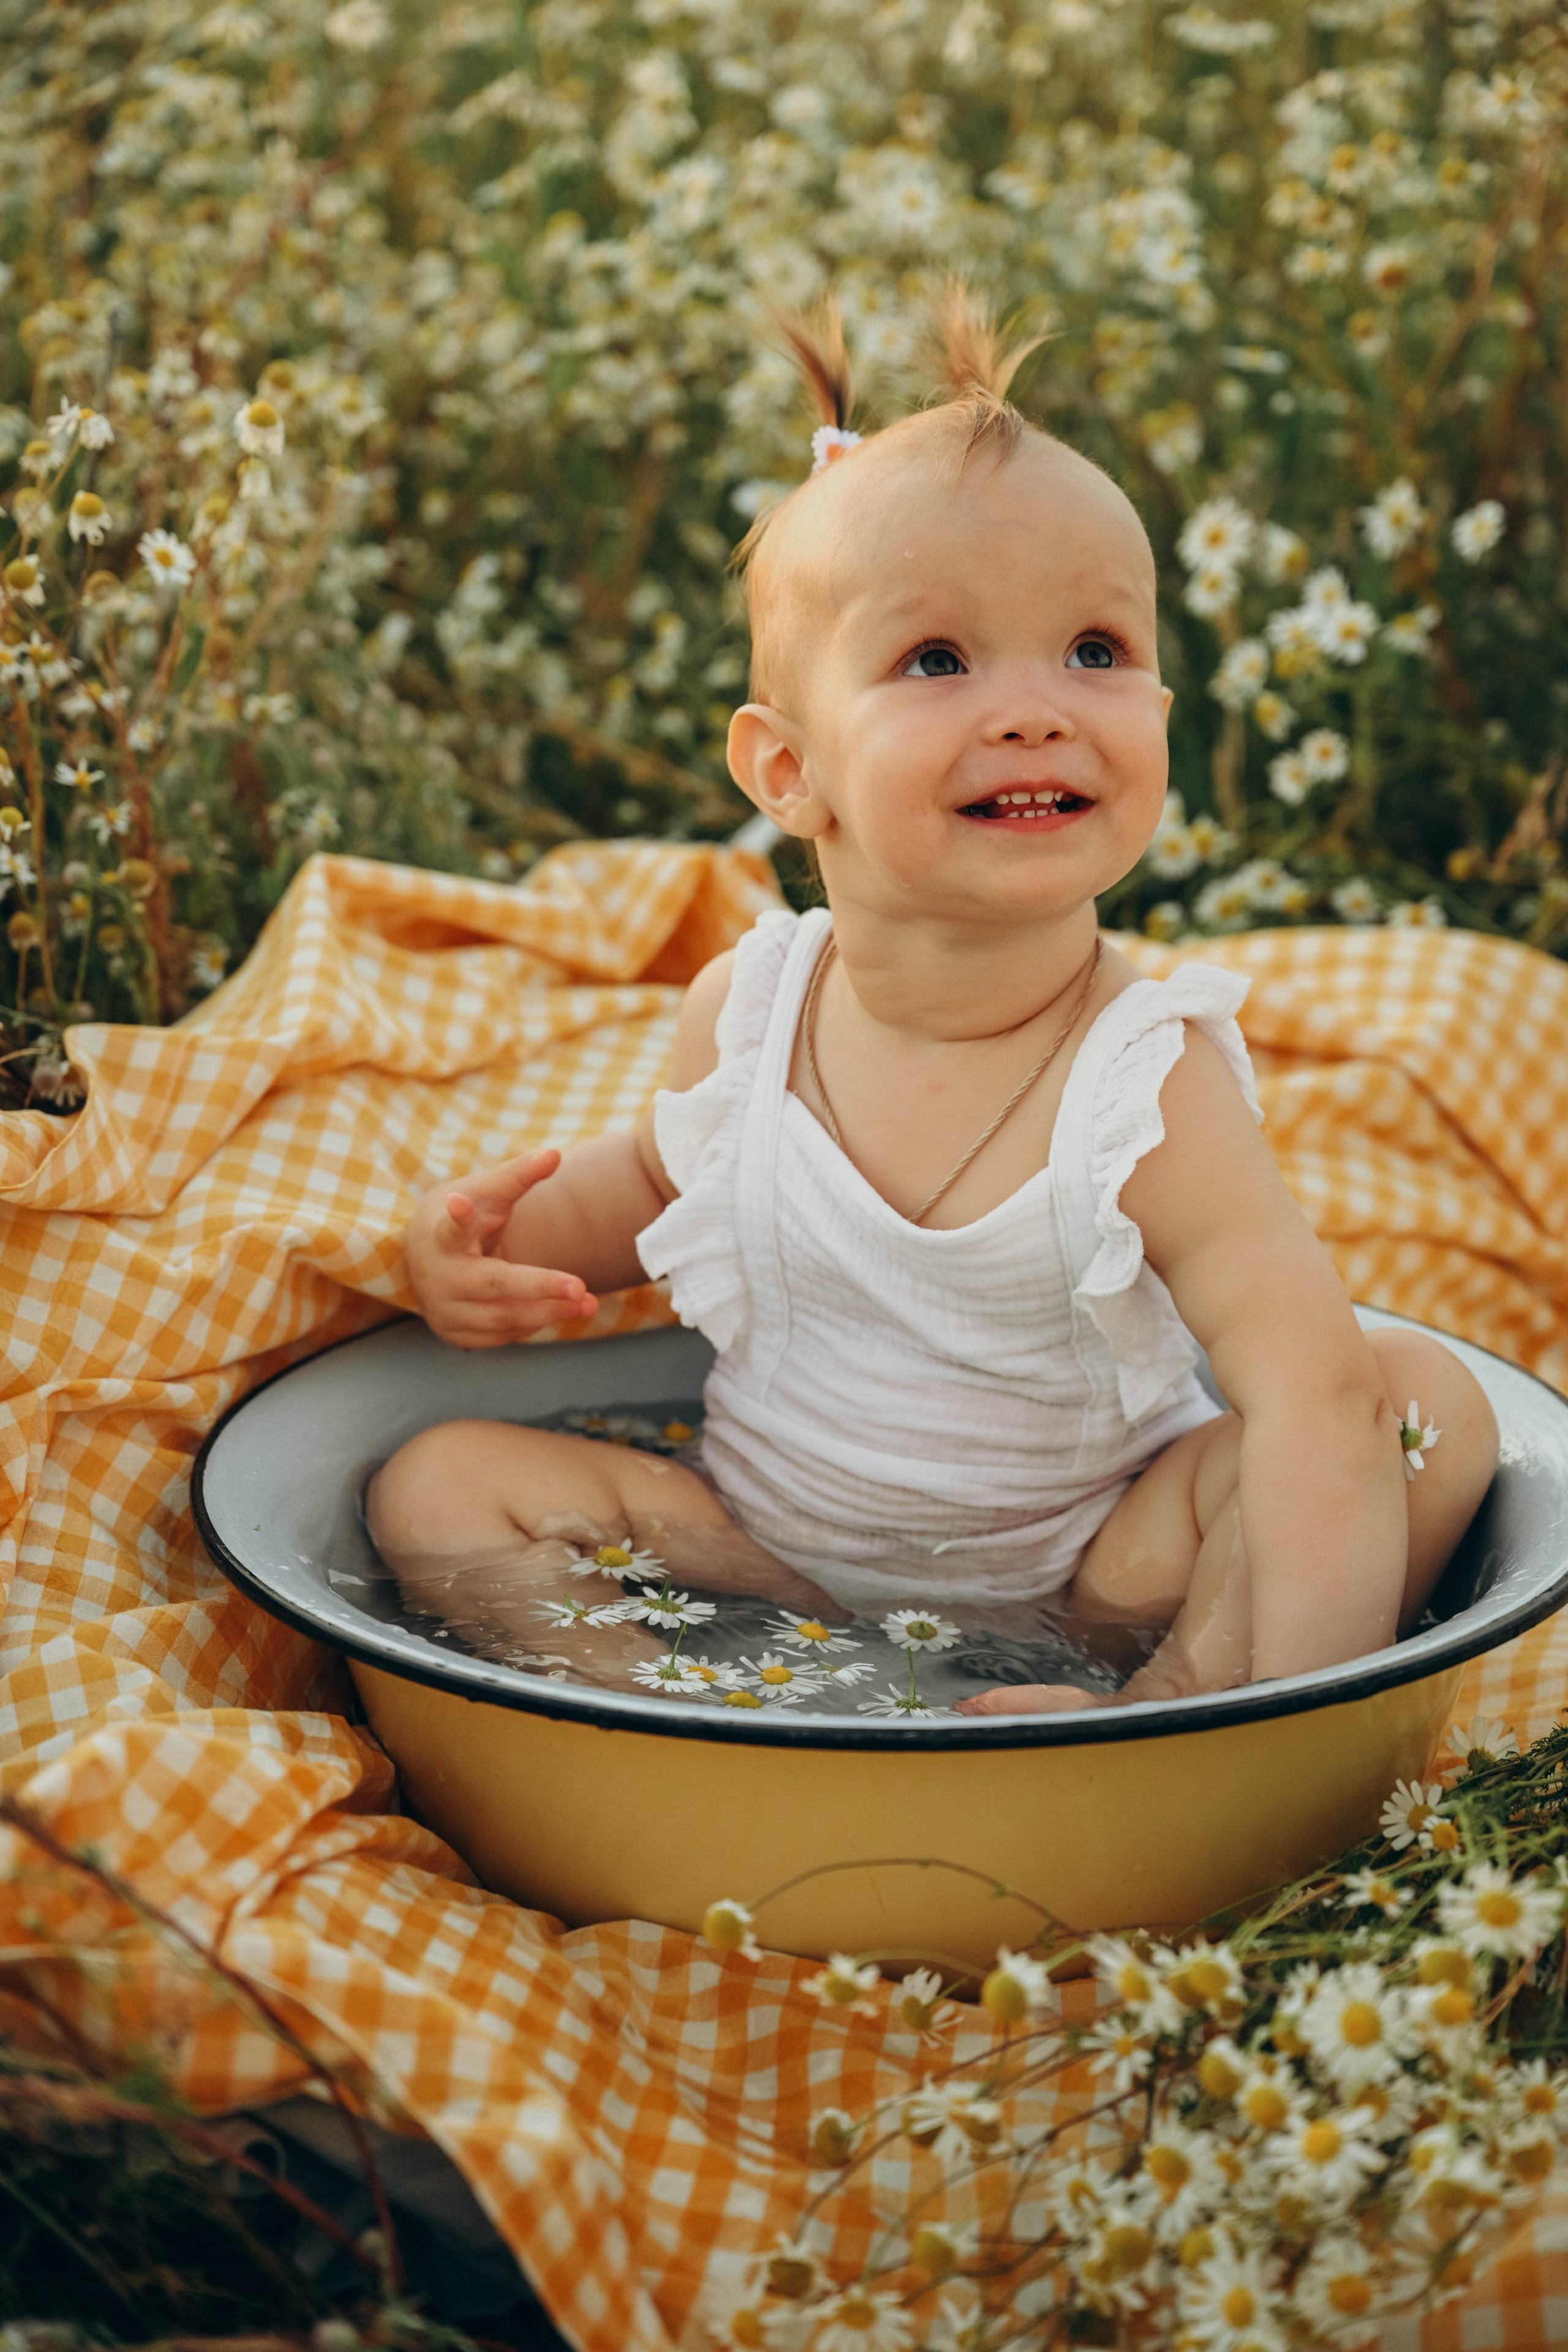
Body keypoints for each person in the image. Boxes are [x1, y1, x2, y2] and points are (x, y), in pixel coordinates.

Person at [369, 293, 1498, 1714]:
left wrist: (1276, 1705)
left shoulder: (1144, 1088)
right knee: (439, 1483)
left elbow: (1306, 1390)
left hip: (1096, 1571)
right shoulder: (753, 1007)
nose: (1035, 709)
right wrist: (482, 1253)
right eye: (937, 661)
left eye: (1093, 650)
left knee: (1414, 1407)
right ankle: (694, 1713)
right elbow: (650, 1181)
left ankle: (1166, 1718)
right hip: (765, 1553)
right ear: (787, 774)